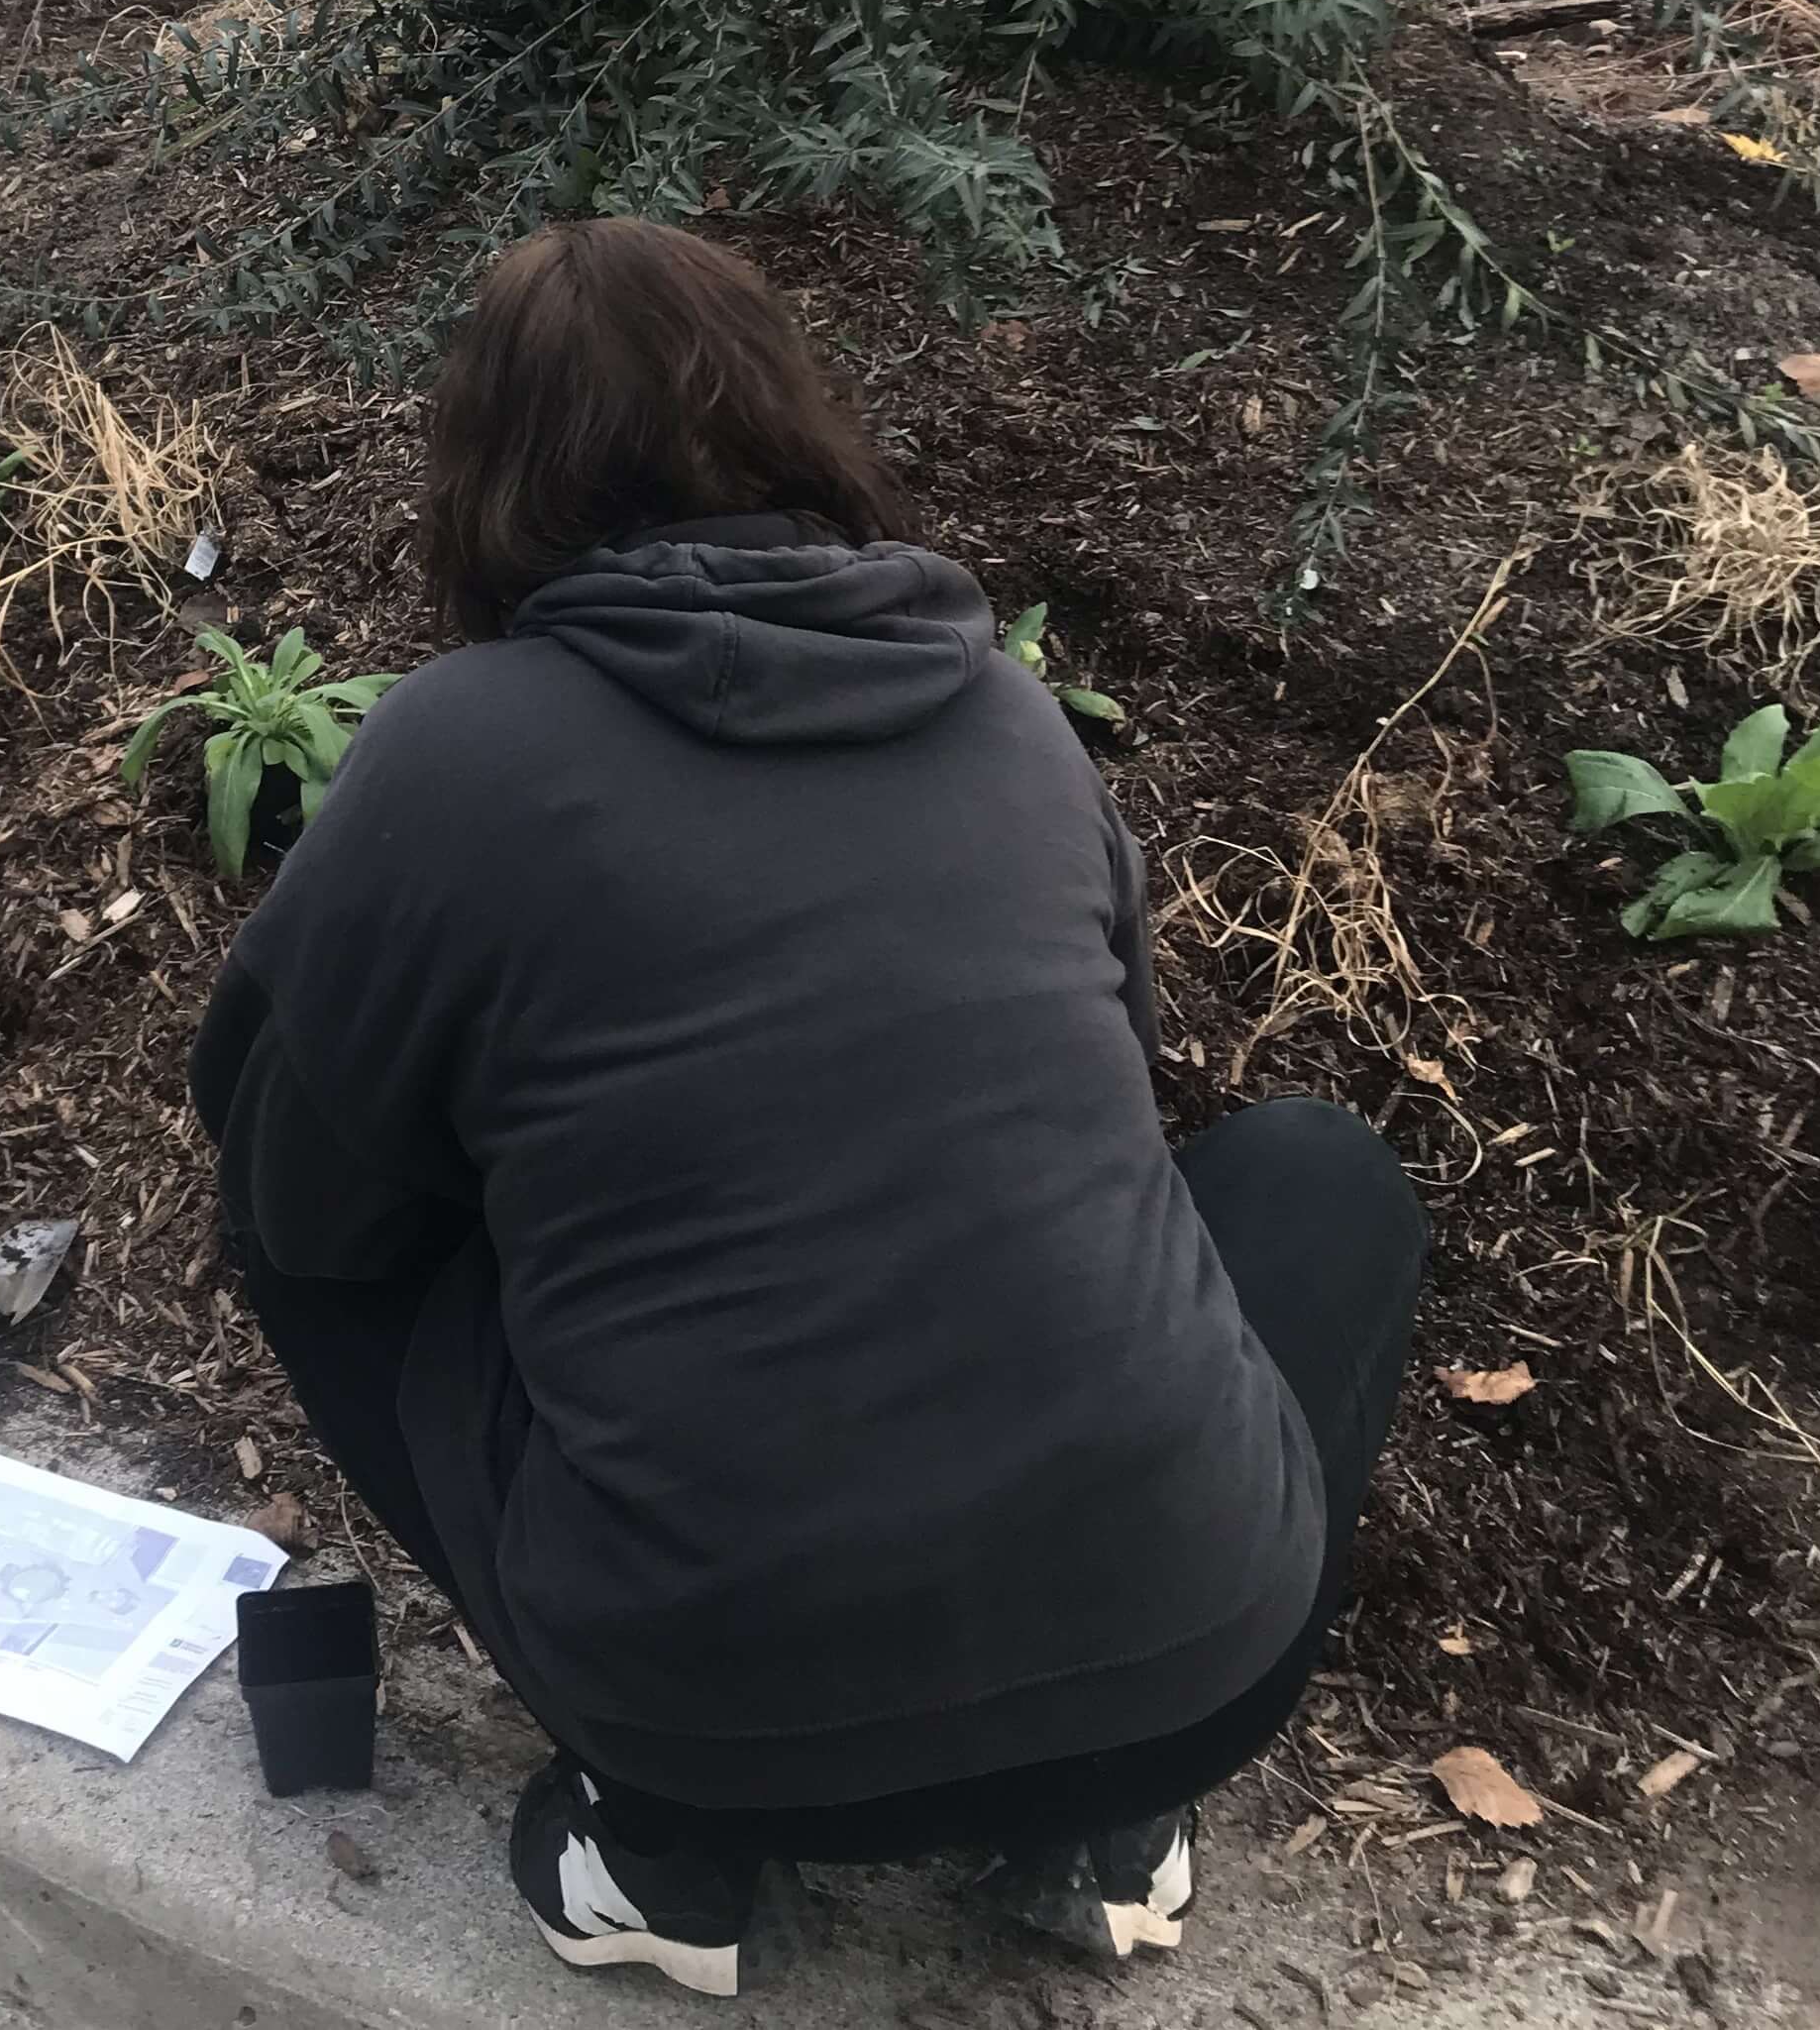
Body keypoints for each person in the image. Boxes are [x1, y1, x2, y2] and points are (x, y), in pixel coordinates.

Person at [189, 220, 1428, 1997]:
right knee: (1316, 1173)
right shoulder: (1008, 717)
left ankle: (658, 1852)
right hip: (1190, 1683)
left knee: (319, 1242)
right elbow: (1126, 1112)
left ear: (483, 485)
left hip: (717, 1730)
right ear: (791, 424)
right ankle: (1100, 1826)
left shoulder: (455, 754)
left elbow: (297, 1194)